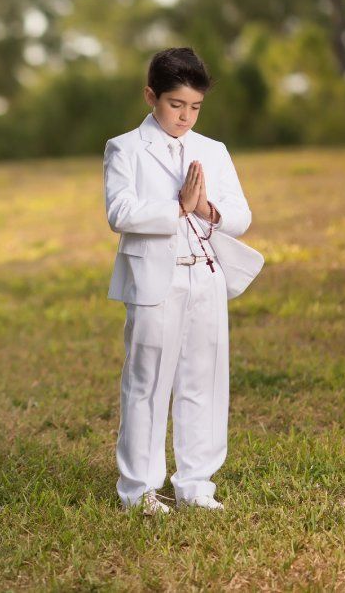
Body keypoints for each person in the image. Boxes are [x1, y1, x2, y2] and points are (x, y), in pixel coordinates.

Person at [102, 47, 253, 515]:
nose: (185, 116)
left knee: (203, 380)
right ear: (151, 95)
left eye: (195, 107)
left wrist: (206, 207)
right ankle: (139, 490)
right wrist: (179, 208)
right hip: (155, 280)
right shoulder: (125, 147)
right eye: (175, 105)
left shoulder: (214, 151)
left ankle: (195, 485)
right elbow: (119, 212)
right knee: (147, 382)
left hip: (205, 277)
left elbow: (241, 217)